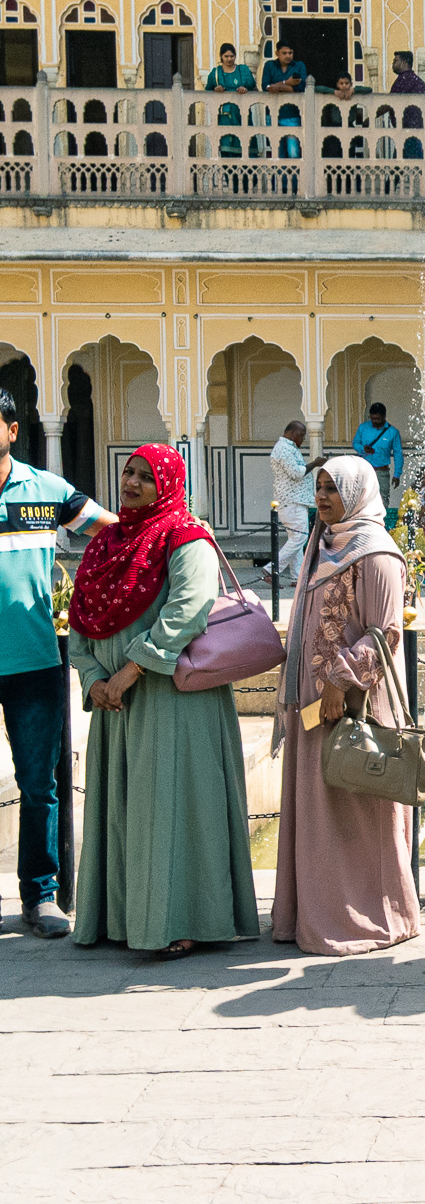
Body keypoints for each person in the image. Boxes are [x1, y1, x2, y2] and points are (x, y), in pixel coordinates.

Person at [70, 446, 259, 958]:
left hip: (173, 700)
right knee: (128, 810)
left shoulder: (184, 536)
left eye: (145, 477)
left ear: (168, 485)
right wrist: (93, 679)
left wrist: (130, 671)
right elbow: (81, 618)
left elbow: (190, 607)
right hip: (113, 704)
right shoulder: (106, 542)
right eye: (128, 472)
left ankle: (184, 918)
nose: (131, 483)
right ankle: (121, 917)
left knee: (175, 807)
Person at [271, 456, 419, 955]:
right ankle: (315, 912)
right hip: (315, 709)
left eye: (335, 489)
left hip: (354, 709)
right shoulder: (323, 545)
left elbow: (386, 632)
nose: (324, 497)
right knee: (323, 814)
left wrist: (340, 679)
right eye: (320, 488)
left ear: (358, 494)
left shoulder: (376, 553)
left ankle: (368, 916)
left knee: (357, 812)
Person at [0, 388, 112, 938]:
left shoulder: (46, 492)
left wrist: (177, 532)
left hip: (34, 661)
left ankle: (39, 897)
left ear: (13, 430)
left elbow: (113, 530)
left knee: (39, 783)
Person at [267, 419, 321, 583]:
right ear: (291, 434)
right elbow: (296, 473)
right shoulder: (284, 449)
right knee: (300, 538)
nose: (302, 439)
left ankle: (297, 577)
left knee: (295, 539)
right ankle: (271, 569)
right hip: (291, 501)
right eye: (301, 435)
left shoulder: (288, 448)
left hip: (294, 500)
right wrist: (315, 463)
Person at [352, 403, 404, 529]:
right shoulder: (363, 428)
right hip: (364, 470)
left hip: (382, 472)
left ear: (384, 417)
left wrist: (397, 474)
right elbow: (355, 443)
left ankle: (379, 527)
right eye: (373, 418)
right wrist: (363, 449)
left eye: (378, 419)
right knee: (362, 499)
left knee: (382, 499)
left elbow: (398, 454)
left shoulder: (392, 432)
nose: (375, 421)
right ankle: (363, 527)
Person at [207, 44, 255, 158]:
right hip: (225, 118)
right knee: (227, 151)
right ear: (221, 57)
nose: (229, 59)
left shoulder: (243, 70)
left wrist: (245, 89)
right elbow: (207, 91)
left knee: (245, 150)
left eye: (232, 56)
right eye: (226, 56)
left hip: (241, 115)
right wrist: (215, 89)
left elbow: (253, 86)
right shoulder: (216, 73)